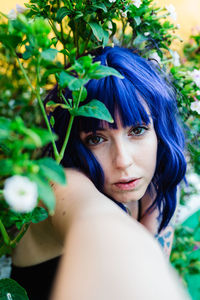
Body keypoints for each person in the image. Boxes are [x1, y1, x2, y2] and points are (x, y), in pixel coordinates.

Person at [11, 46, 187, 299]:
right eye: (96, 138)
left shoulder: (157, 173)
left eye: (137, 131)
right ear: (74, 142)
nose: (123, 161)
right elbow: (95, 223)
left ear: (160, 131)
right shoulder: (63, 183)